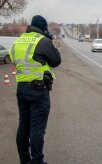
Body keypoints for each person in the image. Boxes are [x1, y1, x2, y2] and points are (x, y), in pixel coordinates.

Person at [9, 15, 61, 164]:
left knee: (24, 126)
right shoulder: (42, 41)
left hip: (22, 89)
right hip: (38, 90)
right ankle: (37, 161)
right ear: (43, 28)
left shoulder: (18, 40)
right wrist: (49, 42)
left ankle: (24, 160)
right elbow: (56, 61)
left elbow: (13, 58)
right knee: (37, 129)